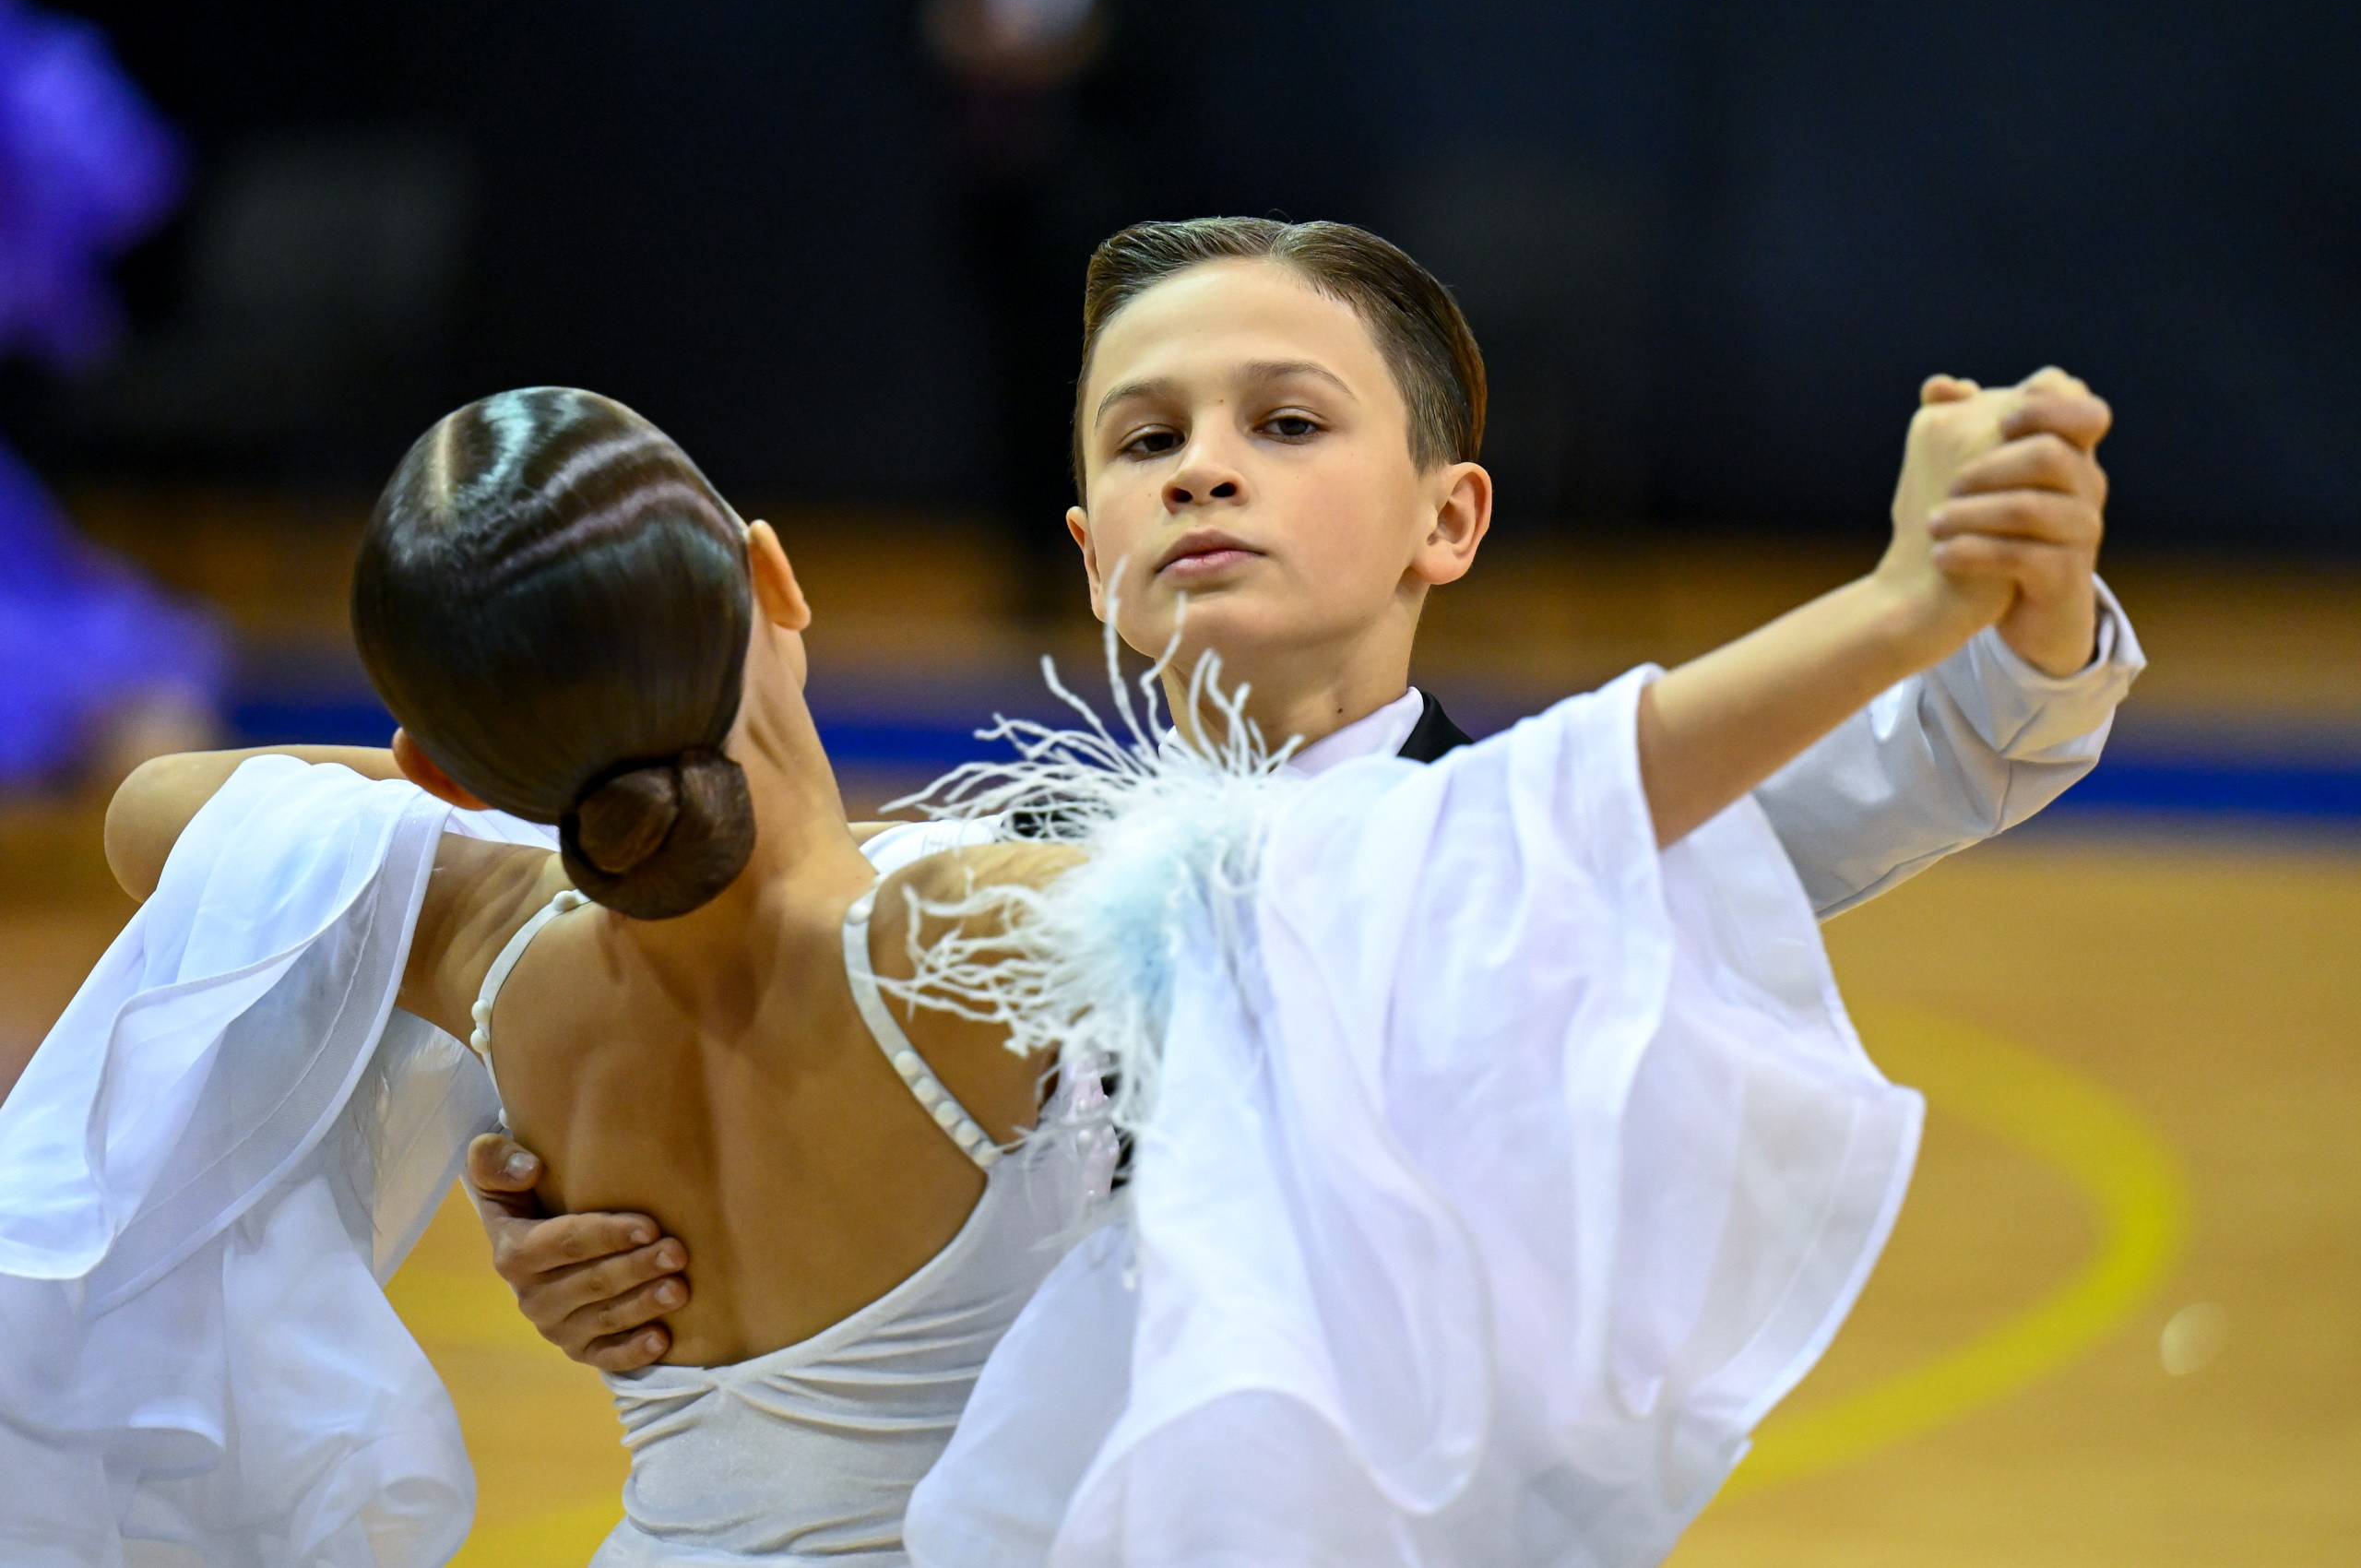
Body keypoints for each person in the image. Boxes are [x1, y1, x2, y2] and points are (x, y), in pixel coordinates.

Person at [0, 345, 2107, 1563]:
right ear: (775, 578)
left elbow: (166, 812)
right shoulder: (1004, 932)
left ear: (427, 748)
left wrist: (484, 799)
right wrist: (1910, 597)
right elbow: (1544, 815)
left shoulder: (480, 940)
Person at [481, 217, 2138, 1377]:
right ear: (1088, 554)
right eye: (1143, 442)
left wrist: (2025, 579)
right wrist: (584, 1230)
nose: (1203, 466)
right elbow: (730, 1101)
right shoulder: (950, 878)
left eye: (1285, 422)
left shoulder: (1558, 835)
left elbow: (1948, 746)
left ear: (1451, 519)